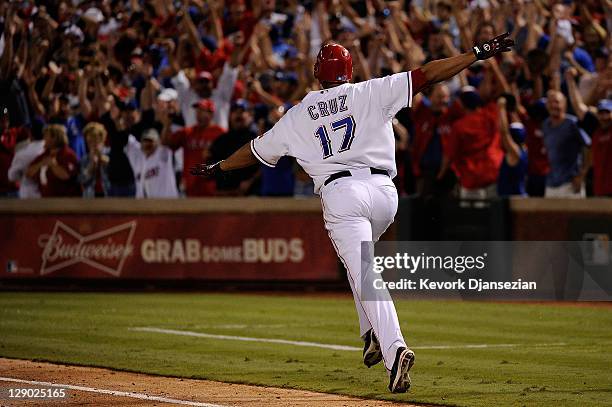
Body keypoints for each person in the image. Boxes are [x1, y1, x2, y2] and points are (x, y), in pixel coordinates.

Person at [190, 35, 514, 393]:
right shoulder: (371, 91)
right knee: (360, 263)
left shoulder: (298, 114)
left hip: (342, 193)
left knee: (364, 273)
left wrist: (219, 168)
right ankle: (371, 335)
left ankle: (395, 349)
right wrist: (476, 54)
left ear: (317, 74)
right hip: (385, 195)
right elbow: (428, 74)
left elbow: (254, 151)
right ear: (350, 71)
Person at [162, 99, 225, 197]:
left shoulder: (220, 133)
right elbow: (166, 143)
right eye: (197, 111)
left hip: (212, 185)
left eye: (202, 110)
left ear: (211, 113)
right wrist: (168, 122)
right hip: (191, 185)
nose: (198, 114)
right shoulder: (188, 132)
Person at [542, 90, 591, 198]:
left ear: (564, 104)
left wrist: (582, 175)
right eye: (550, 102)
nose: (554, 105)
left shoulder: (573, 123)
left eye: (557, 102)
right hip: (551, 183)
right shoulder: (545, 125)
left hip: (570, 184)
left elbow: (589, 147)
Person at [26, 124, 81, 197]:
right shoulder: (44, 155)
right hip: (46, 200)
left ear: (55, 138)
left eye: (46, 136)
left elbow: (66, 176)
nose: (44, 138)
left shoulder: (68, 155)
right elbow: (28, 174)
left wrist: (53, 165)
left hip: (65, 201)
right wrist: (40, 164)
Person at [125, 128, 178, 198]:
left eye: (150, 141)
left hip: (167, 203)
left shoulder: (163, 154)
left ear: (157, 142)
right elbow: (125, 137)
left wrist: (166, 124)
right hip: (144, 205)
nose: (147, 143)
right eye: (145, 140)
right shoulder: (138, 156)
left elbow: (166, 139)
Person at [8, 119, 45, 198]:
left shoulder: (22, 154)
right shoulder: (52, 149)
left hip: (28, 195)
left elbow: (12, 176)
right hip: (49, 195)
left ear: (30, 133)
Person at [79, 122, 110, 198]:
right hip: (90, 197)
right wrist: (91, 166)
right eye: (89, 142)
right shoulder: (85, 159)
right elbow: (81, 180)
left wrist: (101, 158)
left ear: (102, 139)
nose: (92, 144)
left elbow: (115, 172)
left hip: (109, 195)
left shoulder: (110, 153)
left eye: (95, 140)